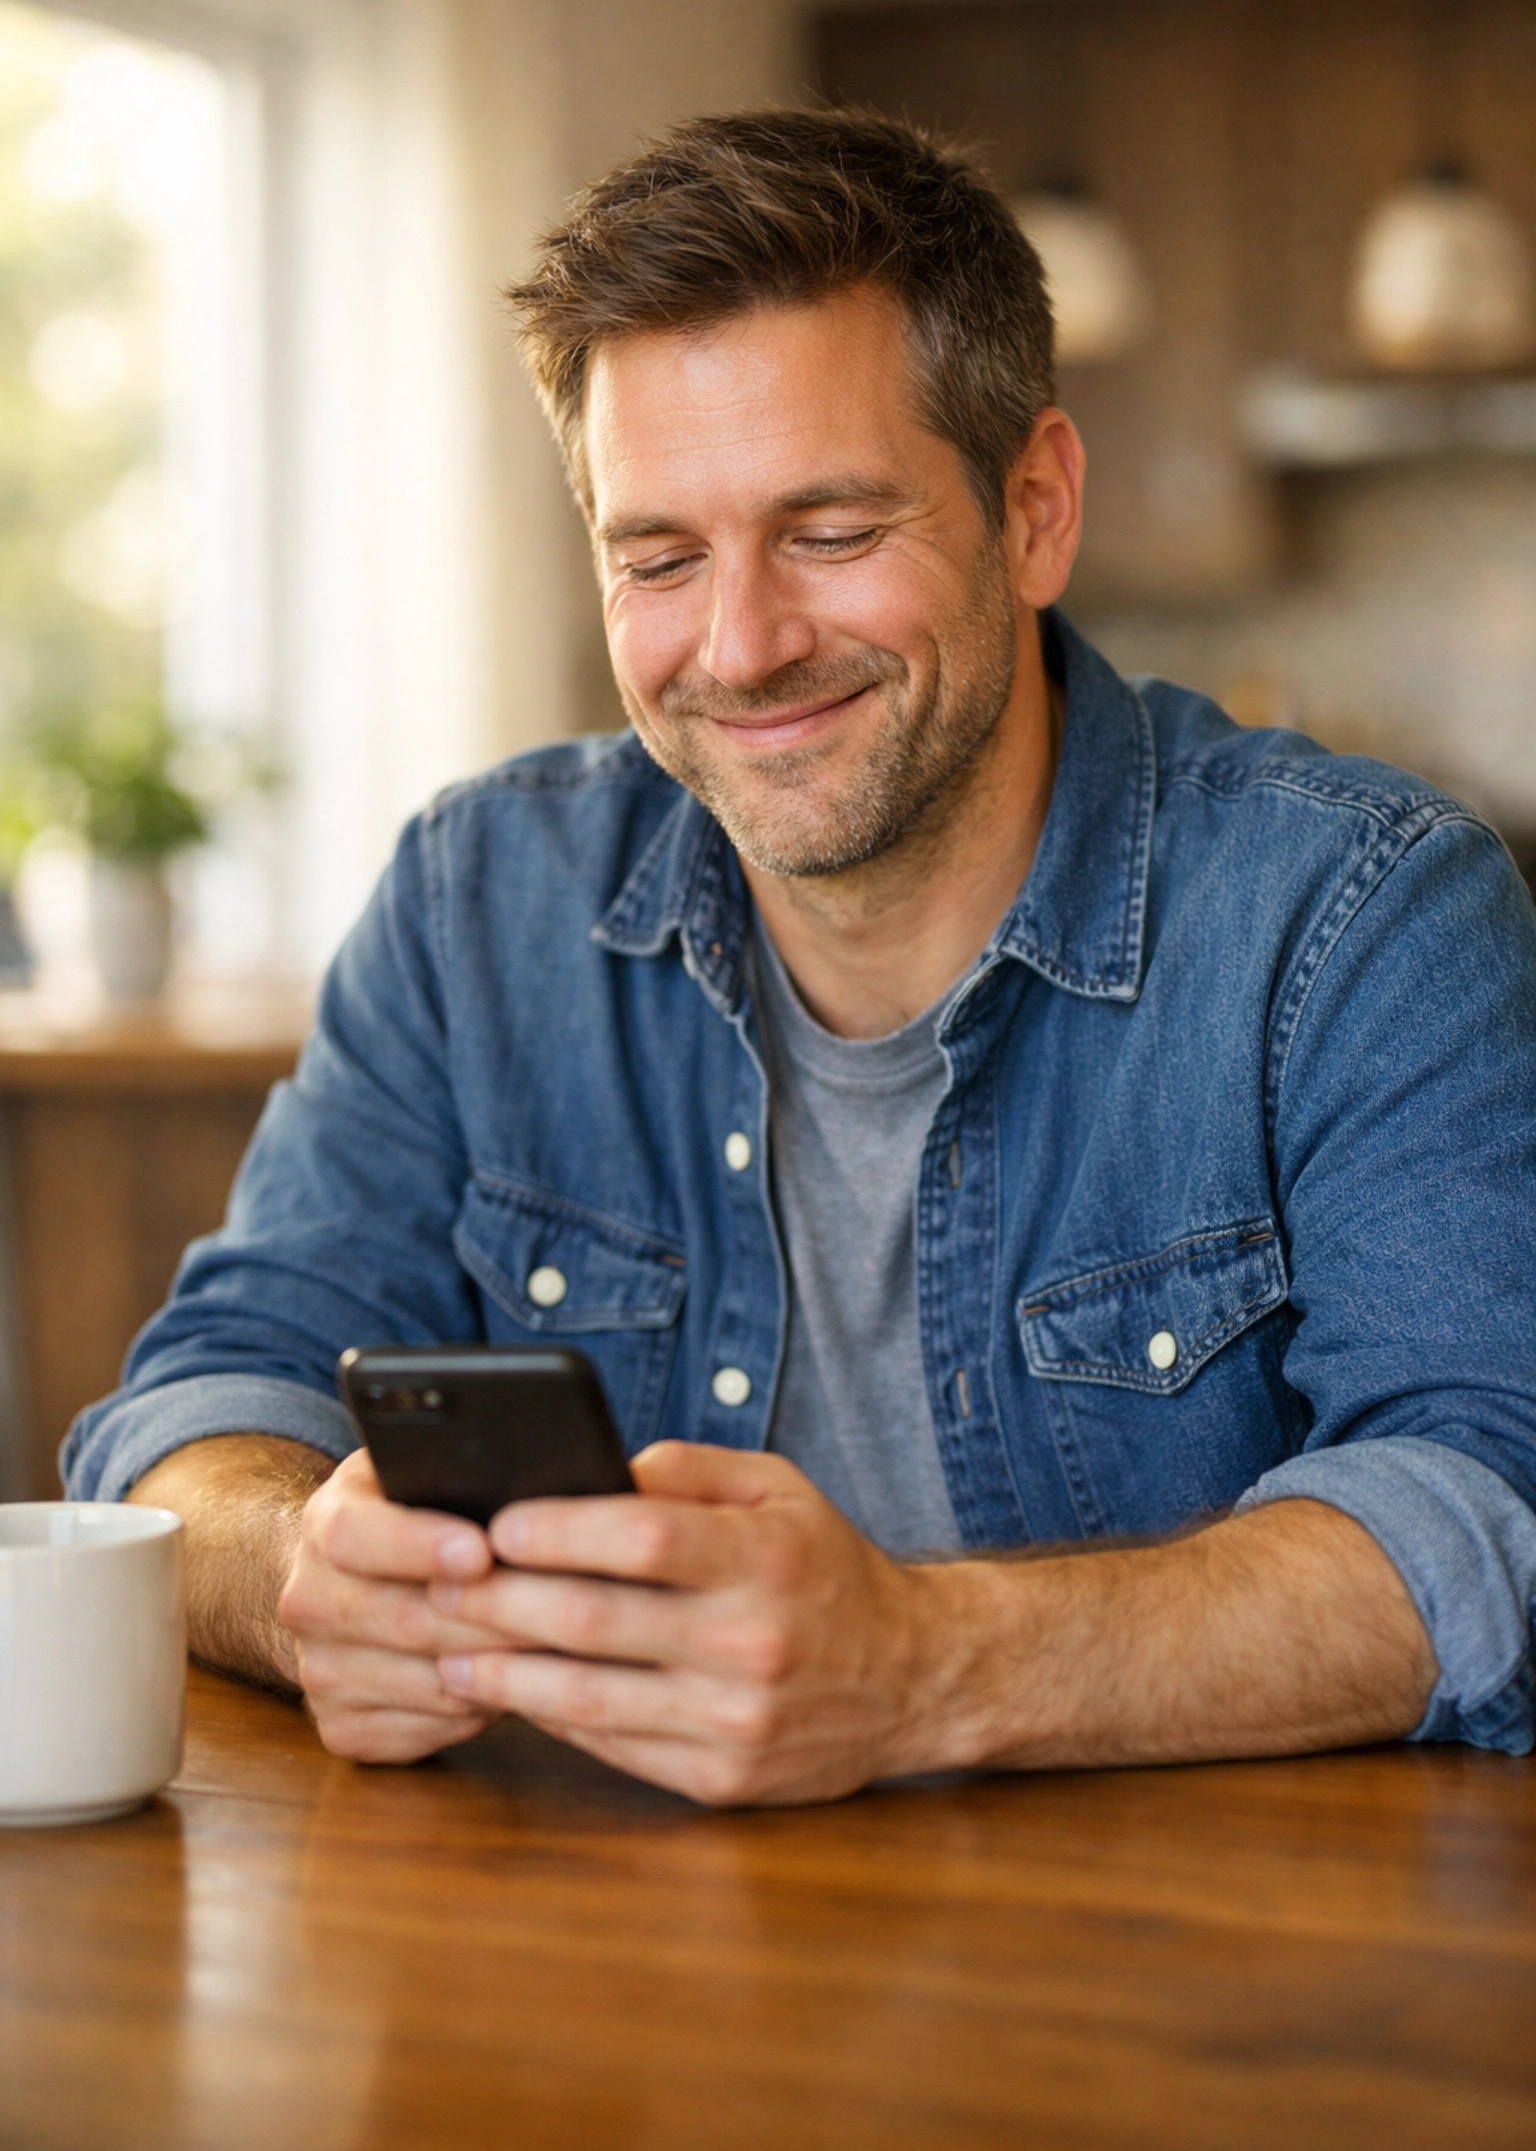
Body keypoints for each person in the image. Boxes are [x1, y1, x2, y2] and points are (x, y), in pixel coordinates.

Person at [66, 109, 1536, 1804]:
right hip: (595, 1979)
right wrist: (297, 1571)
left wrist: (922, 1667)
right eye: (660, 558)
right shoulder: (478, 901)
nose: (742, 648)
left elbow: (1489, 1500)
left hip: (1197, 2001)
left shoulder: (1364, 912)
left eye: (830, 531)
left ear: (1037, 508)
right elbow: (196, 1415)